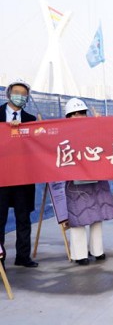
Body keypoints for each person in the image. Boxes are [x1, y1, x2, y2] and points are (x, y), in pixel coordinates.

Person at [60, 98, 113, 266]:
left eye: (81, 113)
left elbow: (110, 142)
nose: (79, 116)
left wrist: (100, 125)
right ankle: (79, 255)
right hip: (75, 181)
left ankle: (97, 250)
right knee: (78, 217)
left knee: (97, 215)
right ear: (68, 116)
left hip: (96, 179)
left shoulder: (94, 129)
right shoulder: (62, 134)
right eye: (74, 114)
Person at [0, 78, 38, 268]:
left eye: (24, 94)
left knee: (23, 218)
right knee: (0, 219)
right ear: (8, 94)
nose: (20, 97)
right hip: (1, 177)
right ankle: (0, 259)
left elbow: (37, 146)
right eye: (17, 93)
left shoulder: (30, 120)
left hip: (23, 177)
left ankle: (23, 257)